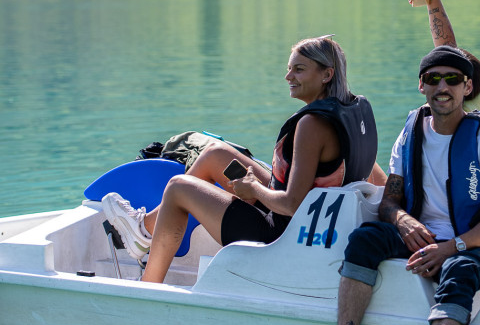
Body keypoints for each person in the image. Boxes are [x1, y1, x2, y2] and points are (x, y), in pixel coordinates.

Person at [102, 36, 382, 283]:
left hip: (281, 236)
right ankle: (143, 231)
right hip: (317, 224)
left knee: (178, 187)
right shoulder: (354, 110)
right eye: (289, 68)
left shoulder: (313, 125)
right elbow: (371, 174)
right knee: (216, 155)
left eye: (299, 69)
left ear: (326, 75)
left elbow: (291, 204)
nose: (288, 77)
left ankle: (149, 288)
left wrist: (253, 190)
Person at [337, 46, 480, 325]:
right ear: (421, 85)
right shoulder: (410, 133)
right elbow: (389, 202)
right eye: (433, 79)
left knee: (459, 270)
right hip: (421, 240)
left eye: (453, 79)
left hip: (477, 245)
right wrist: (403, 221)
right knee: (365, 239)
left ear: (467, 86)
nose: (443, 87)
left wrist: (450, 248)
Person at [408, 0, 480, 115]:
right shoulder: (479, 91)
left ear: (467, 87)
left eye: (432, 77)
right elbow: (447, 50)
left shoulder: (445, 114)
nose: (441, 85)